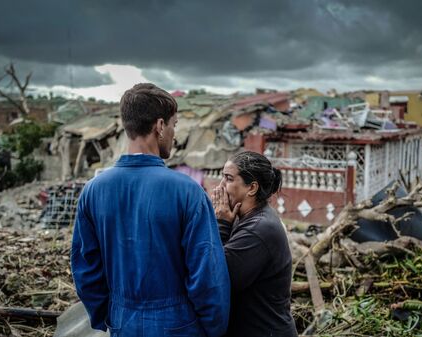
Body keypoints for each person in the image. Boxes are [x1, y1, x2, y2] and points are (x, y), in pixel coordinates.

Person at [71, 83, 230, 336]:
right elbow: (207, 276)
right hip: (180, 324)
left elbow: (85, 269)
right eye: (174, 125)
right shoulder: (187, 192)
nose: (174, 135)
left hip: (122, 321)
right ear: (160, 126)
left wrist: (109, 314)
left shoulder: (93, 191)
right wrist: (214, 328)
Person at [211, 151, 298, 337]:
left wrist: (221, 224)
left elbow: (218, 278)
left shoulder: (258, 229)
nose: (221, 186)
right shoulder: (243, 218)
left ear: (251, 188)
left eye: (228, 178)